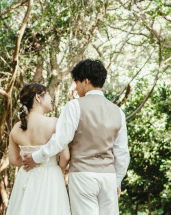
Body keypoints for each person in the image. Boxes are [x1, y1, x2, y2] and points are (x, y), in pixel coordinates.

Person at [22, 59, 130, 215]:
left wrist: (36, 157)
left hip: (82, 176)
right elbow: (123, 153)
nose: (76, 87)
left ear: (86, 81)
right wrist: (117, 181)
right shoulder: (118, 112)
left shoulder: (74, 106)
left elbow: (60, 140)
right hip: (108, 178)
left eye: (76, 82)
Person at [6, 82, 71, 215]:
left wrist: (28, 164)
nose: (51, 99)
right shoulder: (54, 123)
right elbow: (65, 157)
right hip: (51, 178)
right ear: (38, 97)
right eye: (48, 95)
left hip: (26, 176)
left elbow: (13, 159)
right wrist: (59, 169)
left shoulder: (16, 128)